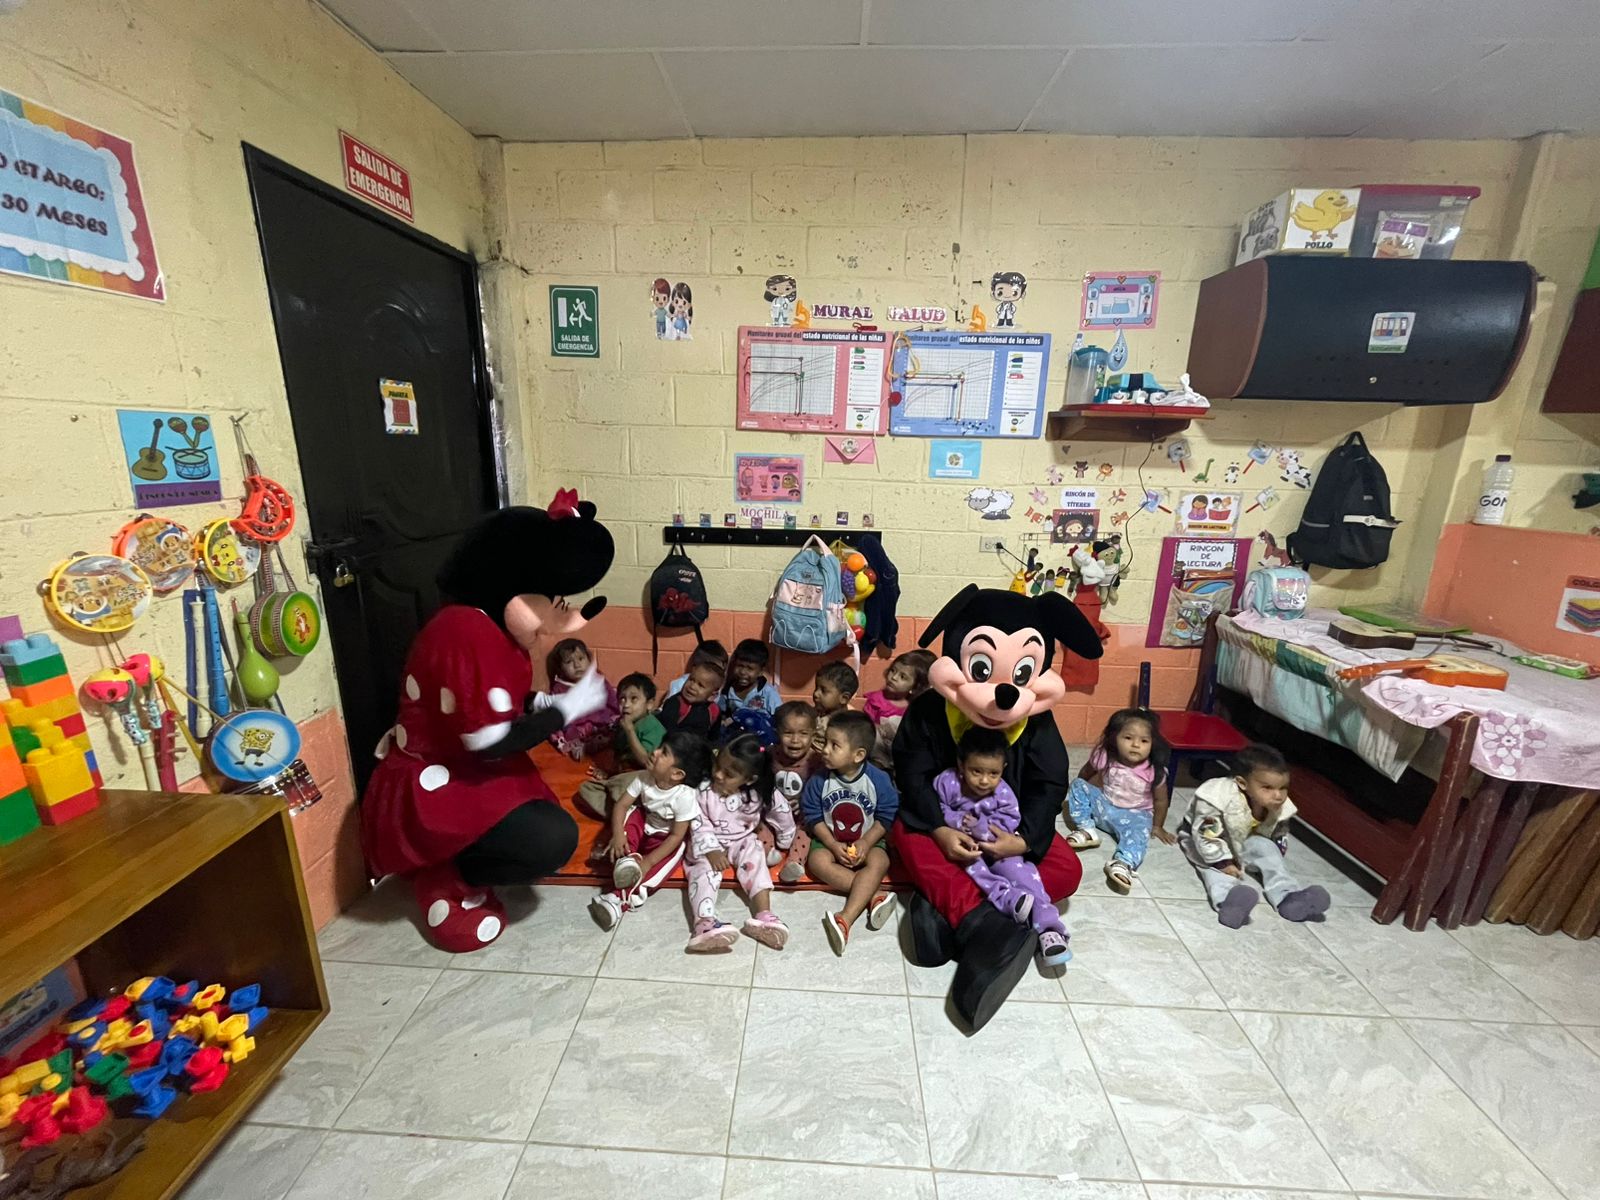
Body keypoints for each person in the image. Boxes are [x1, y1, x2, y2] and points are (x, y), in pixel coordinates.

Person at [361, 497, 615, 953]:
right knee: (549, 840)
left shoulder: (487, 626)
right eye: (551, 601)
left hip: (465, 762)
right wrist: (565, 709)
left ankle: (459, 859)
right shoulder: (465, 632)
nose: (553, 619)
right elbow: (487, 741)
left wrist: (542, 702)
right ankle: (445, 876)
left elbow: (488, 703)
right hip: (436, 777)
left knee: (546, 824)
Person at [892, 585, 1103, 1031]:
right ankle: (981, 924)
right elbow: (911, 774)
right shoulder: (928, 712)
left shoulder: (1037, 722)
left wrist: (1022, 841)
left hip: (1005, 830)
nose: (1000, 693)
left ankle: (947, 911)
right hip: (946, 823)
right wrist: (939, 830)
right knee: (908, 837)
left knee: (1067, 870)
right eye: (982, 669)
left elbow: (1048, 783)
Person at [936, 728, 1071, 965]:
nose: (984, 780)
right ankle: (1008, 899)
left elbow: (1010, 820)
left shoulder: (1003, 793)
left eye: (993, 773)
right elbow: (938, 808)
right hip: (965, 846)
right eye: (976, 771)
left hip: (997, 845)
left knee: (1022, 874)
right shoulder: (947, 782)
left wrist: (983, 829)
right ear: (961, 765)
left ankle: (1050, 930)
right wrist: (957, 822)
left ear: (1003, 769)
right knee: (974, 871)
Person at [1178, 743, 1330, 927]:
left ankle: (1287, 896)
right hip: (1209, 840)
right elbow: (1205, 835)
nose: (1278, 795)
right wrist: (1222, 862)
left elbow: (1279, 832)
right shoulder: (1215, 798)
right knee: (1214, 871)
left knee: (1269, 852)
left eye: (1283, 788)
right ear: (1242, 783)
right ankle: (1228, 902)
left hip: (1247, 838)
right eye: (1267, 787)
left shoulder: (1278, 804)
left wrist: (1273, 855)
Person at [591, 729, 713, 929]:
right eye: (659, 748)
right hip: (644, 826)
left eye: (663, 753)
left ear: (676, 774)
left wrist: (649, 861)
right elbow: (621, 805)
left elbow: (676, 836)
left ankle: (618, 899)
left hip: (664, 839)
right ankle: (626, 859)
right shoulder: (643, 777)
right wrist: (618, 835)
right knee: (633, 813)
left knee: (669, 858)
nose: (654, 752)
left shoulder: (684, 796)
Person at [683, 734, 794, 953]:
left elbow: (781, 811)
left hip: (742, 840)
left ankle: (764, 916)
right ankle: (704, 923)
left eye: (728, 774)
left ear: (749, 779)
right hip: (709, 844)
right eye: (718, 766)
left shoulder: (757, 793)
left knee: (756, 855)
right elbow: (697, 821)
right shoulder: (704, 790)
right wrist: (711, 850)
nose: (718, 775)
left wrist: (786, 837)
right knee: (703, 872)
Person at [801, 711, 898, 954]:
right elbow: (812, 815)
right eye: (825, 742)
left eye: (834, 745)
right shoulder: (819, 779)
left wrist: (867, 842)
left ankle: (845, 918)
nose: (825, 750)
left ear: (858, 755)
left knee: (881, 861)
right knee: (816, 862)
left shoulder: (878, 780)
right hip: (831, 840)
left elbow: (886, 816)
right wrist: (832, 845)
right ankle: (873, 894)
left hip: (868, 840)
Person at [1064, 708, 1174, 894]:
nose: (1136, 745)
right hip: (1104, 807)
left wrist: (1158, 826)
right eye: (1128, 738)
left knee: (1139, 833)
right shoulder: (1105, 756)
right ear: (1115, 737)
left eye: (1144, 741)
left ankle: (1123, 863)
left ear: (1152, 744)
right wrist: (1083, 792)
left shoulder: (1154, 770)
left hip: (1134, 816)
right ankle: (1087, 829)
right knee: (1077, 785)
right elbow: (1086, 773)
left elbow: (1161, 800)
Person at [575, 672, 663, 822]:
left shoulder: (652, 726)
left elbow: (645, 761)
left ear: (649, 704)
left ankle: (624, 811)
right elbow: (619, 755)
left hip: (646, 778)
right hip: (621, 780)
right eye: (622, 699)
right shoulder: (622, 724)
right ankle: (626, 813)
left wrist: (630, 732)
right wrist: (608, 772)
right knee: (586, 789)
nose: (626, 705)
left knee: (623, 785)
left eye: (634, 699)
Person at [766, 700, 820, 883]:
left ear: (813, 735)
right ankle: (767, 851)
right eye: (788, 733)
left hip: (800, 814)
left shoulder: (816, 760)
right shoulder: (770, 755)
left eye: (803, 733)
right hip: (773, 814)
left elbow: (821, 789)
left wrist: (804, 801)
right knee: (758, 823)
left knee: (807, 829)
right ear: (777, 733)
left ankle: (795, 862)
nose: (795, 740)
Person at [547, 638, 620, 760]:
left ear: (589, 660)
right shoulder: (559, 689)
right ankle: (582, 748)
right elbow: (556, 716)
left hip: (603, 726)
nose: (577, 665)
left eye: (581, 659)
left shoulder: (598, 681)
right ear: (560, 668)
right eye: (569, 662)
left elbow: (613, 703)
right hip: (578, 733)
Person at [863, 648, 934, 769]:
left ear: (914, 688)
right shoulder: (876, 700)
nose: (894, 677)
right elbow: (866, 728)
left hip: (901, 754)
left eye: (902, 677)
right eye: (893, 670)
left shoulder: (914, 707)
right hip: (877, 754)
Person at [657, 657, 724, 737]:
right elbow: (666, 732)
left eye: (700, 685)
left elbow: (713, 737)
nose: (692, 686)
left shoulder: (714, 711)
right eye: (691, 679)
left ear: (712, 696)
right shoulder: (675, 703)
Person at [720, 638, 783, 720]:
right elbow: (721, 715)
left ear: (761, 671)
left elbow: (781, 719)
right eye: (740, 666)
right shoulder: (728, 691)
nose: (743, 672)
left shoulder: (768, 693)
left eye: (750, 668)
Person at [810, 660, 859, 754]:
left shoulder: (848, 724)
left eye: (823, 691)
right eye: (816, 688)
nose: (816, 694)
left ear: (844, 698)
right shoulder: (813, 713)